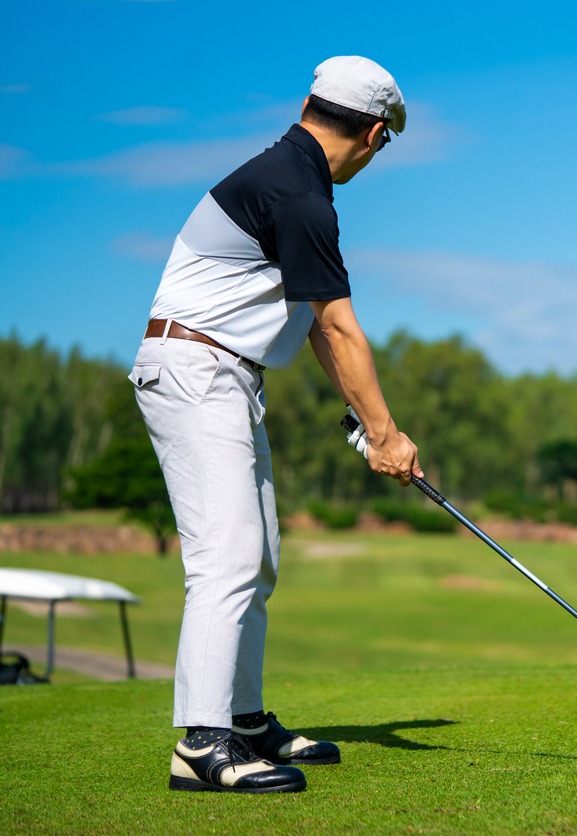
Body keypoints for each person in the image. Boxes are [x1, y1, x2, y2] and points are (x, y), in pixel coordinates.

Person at [132, 56, 423, 794]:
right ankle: (202, 744)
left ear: (309, 104)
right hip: (196, 369)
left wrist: (374, 424)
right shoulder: (301, 194)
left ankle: (243, 717)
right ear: (376, 132)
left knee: (255, 558)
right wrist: (387, 435)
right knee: (226, 557)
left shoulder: (288, 178)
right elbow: (342, 329)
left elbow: (321, 332)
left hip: (222, 374)